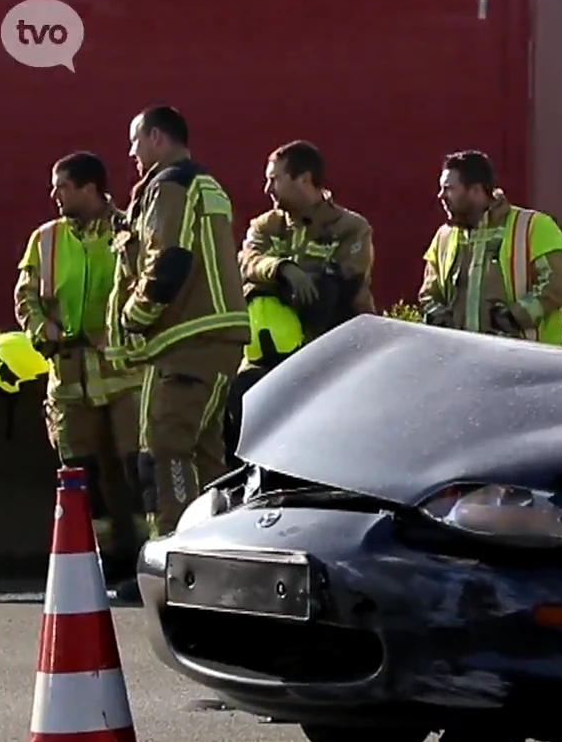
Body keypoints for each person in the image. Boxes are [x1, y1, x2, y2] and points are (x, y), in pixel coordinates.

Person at [110, 105, 249, 578]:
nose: (131, 153)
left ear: (155, 137)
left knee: (165, 446)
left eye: (134, 142)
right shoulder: (207, 186)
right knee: (206, 452)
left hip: (186, 341)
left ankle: (175, 560)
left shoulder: (168, 185)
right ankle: (222, 559)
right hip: (216, 338)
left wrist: (133, 317)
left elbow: (167, 260)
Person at [13, 151, 144, 584]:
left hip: (124, 376)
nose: (54, 195)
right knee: (79, 472)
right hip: (68, 378)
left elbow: (148, 288)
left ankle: (145, 558)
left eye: (62, 186)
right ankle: (100, 563)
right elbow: (26, 296)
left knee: (137, 470)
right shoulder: (45, 239)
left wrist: (121, 328)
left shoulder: (131, 231)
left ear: (90, 188)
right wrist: (42, 331)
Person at [227, 139, 376, 465]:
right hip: (267, 357)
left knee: (327, 446)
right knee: (240, 417)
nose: (266, 187)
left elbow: (340, 283)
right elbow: (246, 261)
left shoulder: (351, 228)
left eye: (274, 178)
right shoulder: (266, 226)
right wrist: (283, 269)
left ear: (304, 179)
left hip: (331, 356)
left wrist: (285, 282)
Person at [419, 150, 562, 343]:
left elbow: (554, 288)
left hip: (527, 362)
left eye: (449, 188)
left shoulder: (534, 226)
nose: (441, 196)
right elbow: (428, 295)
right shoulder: (443, 236)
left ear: (476, 190)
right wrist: (439, 317)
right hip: (463, 360)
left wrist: (513, 318)